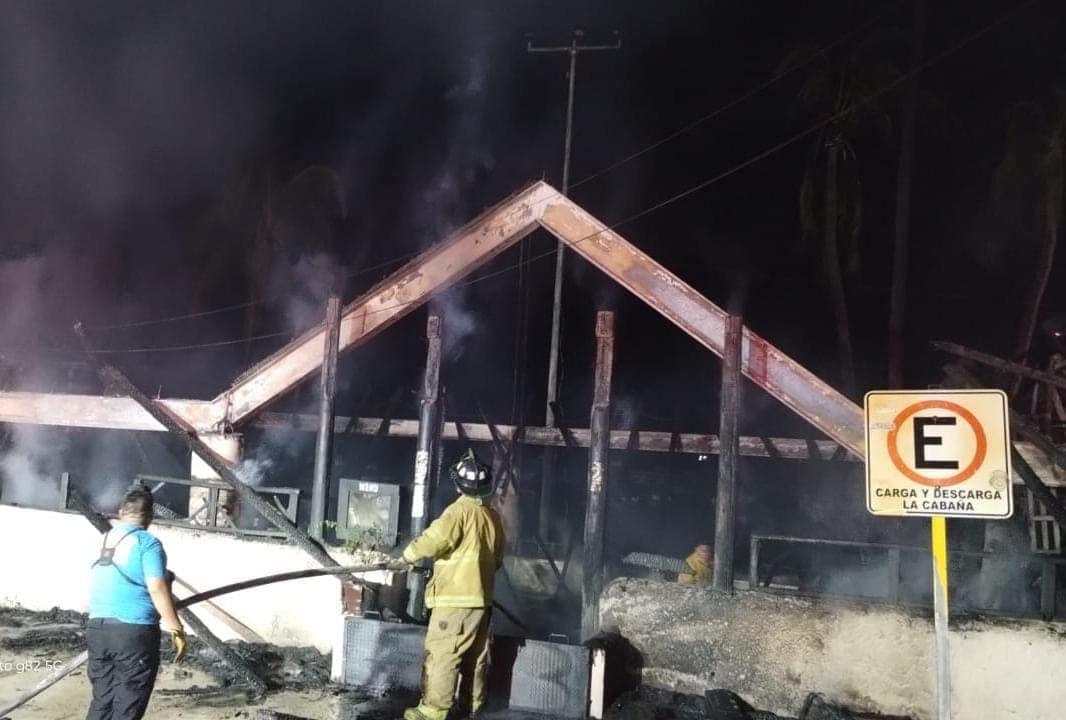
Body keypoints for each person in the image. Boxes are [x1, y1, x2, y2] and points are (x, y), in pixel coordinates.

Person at [402, 450, 505, 720]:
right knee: (475, 655)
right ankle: (472, 706)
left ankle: (433, 711)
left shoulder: (458, 512)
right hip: (481, 600)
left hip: (454, 600)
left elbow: (435, 539)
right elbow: (497, 559)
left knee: (443, 652)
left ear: (459, 484)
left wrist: (408, 556)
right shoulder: (492, 518)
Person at [86, 484, 186, 720]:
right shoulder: (147, 543)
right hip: (133, 633)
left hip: (97, 629)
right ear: (150, 516)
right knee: (128, 701)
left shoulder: (103, 540)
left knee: (103, 698)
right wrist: (176, 628)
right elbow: (157, 588)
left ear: (121, 512)